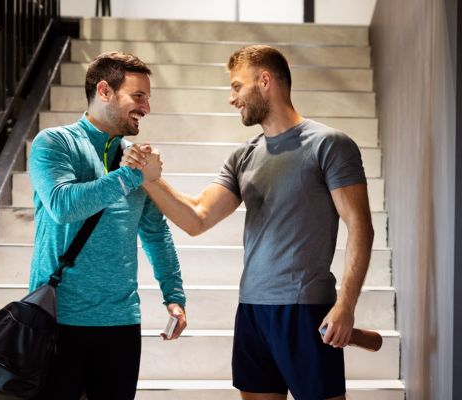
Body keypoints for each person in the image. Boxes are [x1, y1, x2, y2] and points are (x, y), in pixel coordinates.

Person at [122, 45, 374, 400]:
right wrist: (150, 178)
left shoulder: (329, 145)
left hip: (304, 310)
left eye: (237, 87)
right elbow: (197, 218)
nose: (232, 98)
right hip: (252, 311)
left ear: (265, 81)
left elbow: (360, 225)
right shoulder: (244, 156)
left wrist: (345, 305)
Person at [28, 51, 187, 400]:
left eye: (147, 98)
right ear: (104, 90)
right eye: (138, 96)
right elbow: (63, 205)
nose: (146, 107)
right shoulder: (54, 143)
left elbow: (156, 234)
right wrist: (132, 175)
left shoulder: (135, 158)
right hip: (58, 320)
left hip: (120, 322)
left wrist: (173, 295)